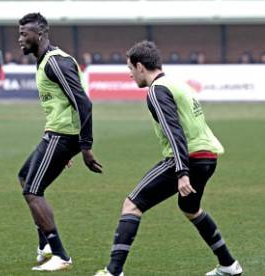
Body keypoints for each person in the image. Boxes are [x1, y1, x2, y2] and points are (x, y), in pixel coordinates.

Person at [94, 41, 242, 276]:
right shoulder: (176, 84)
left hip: (186, 159)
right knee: (190, 208)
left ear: (140, 66)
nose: (129, 74)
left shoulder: (157, 90)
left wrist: (182, 172)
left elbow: (174, 131)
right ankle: (229, 265)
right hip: (207, 157)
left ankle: (113, 272)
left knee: (132, 204)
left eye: (130, 69)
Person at [17, 13, 103, 272]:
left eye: (25, 34)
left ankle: (60, 254)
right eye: (19, 34)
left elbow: (84, 103)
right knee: (25, 177)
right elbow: (60, 104)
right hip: (55, 134)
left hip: (63, 136)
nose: (20, 39)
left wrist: (85, 147)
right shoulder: (42, 61)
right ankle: (45, 245)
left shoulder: (56, 63)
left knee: (32, 191)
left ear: (40, 34)